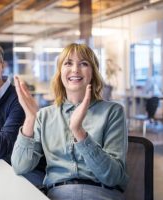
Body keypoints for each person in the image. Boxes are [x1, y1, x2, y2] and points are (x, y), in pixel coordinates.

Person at [11, 43, 128, 200]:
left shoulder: (113, 112)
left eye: (84, 64)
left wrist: (79, 132)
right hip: (56, 194)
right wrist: (30, 119)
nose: (75, 70)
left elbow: (113, 177)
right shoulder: (44, 115)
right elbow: (20, 166)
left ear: (93, 73)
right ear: (60, 73)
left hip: (101, 194)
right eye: (68, 63)